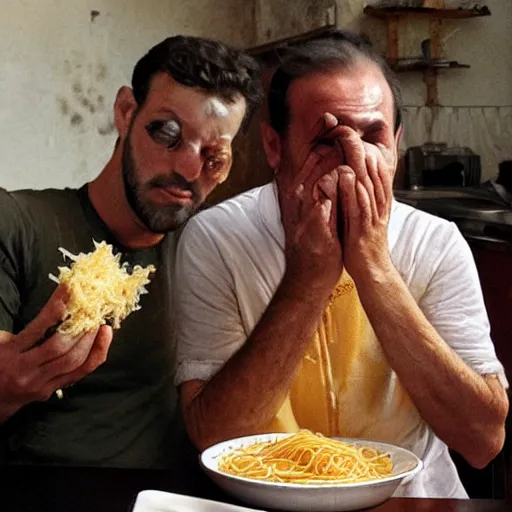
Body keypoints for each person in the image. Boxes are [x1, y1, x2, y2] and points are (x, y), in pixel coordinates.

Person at [174, 30, 509, 497]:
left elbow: (483, 440)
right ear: (274, 147)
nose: (355, 158)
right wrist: (307, 277)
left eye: (373, 137)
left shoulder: (435, 242)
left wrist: (375, 268)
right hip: (268, 499)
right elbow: (215, 436)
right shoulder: (218, 238)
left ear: (396, 145)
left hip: (411, 500)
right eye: (328, 140)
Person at [0, 35, 262, 468]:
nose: (188, 169)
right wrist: (10, 387)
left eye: (214, 155)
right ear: (126, 112)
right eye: (167, 134)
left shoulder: (216, 252)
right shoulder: (17, 222)